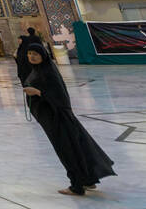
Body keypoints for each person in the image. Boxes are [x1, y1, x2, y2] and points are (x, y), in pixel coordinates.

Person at [22, 40, 115, 195]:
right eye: (29, 54)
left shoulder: (48, 73)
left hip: (58, 119)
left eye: (35, 54)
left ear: (43, 56)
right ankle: (88, 179)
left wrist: (38, 93)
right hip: (52, 119)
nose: (31, 57)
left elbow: (61, 98)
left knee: (67, 151)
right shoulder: (38, 70)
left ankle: (77, 185)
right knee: (77, 148)